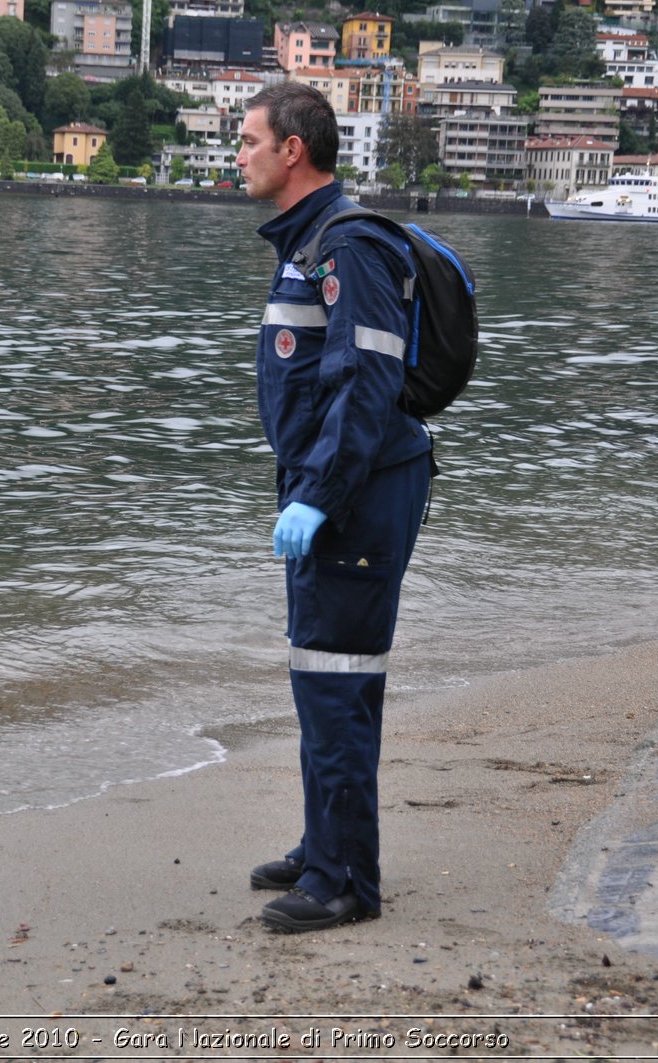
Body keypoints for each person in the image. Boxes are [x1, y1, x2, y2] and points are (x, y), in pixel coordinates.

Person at [235, 82, 434, 933]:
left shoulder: (348, 248)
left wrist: (318, 497)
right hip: (334, 486)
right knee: (321, 674)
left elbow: (365, 383)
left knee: (338, 680)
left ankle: (346, 878)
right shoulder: (310, 242)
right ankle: (327, 841)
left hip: (356, 490)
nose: (235, 154)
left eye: (247, 140)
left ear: (293, 151)